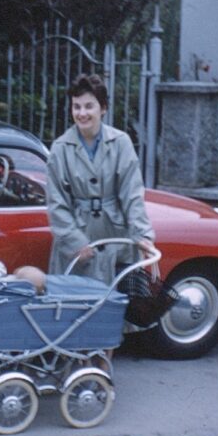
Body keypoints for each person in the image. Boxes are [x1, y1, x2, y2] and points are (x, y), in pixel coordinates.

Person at [46, 73, 155, 284]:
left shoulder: (121, 143)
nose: (82, 113)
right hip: (78, 240)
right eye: (76, 107)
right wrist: (75, 242)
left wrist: (142, 235)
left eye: (89, 106)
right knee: (75, 303)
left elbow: (132, 194)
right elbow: (56, 203)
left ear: (103, 108)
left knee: (115, 305)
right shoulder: (60, 149)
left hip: (115, 237)